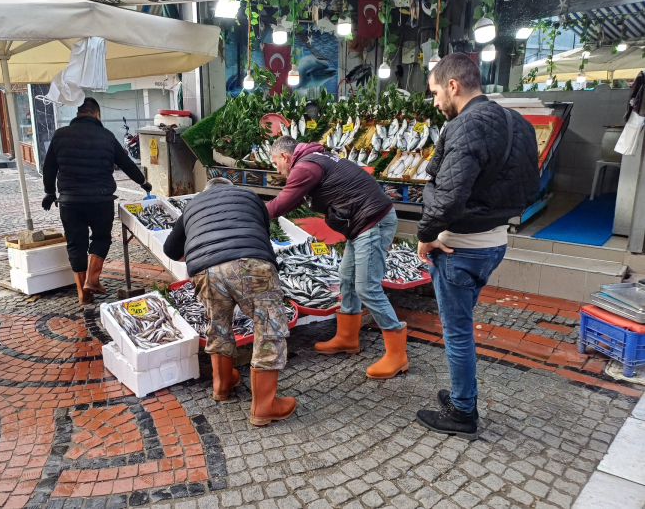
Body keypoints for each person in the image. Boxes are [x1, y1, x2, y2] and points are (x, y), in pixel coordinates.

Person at [415, 53, 539, 440]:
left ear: (453, 86)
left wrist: (426, 235)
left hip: (460, 248)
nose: (436, 101)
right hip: (495, 243)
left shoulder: (465, 125)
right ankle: (461, 392)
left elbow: (447, 198)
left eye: (435, 92)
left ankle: (463, 411)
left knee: (457, 332)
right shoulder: (518, 122)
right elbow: (530, 187)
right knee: (462, 326)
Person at [267, 137, 407, 380]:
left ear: (284, 157)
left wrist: (249, 211)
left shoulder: (304, 167)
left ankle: (397, 355)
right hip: (362, 223)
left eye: (275, 163)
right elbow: (294, 200)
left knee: (367, 287)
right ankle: (347, 338)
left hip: (372, 222)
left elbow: (282, 203)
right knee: (346, 277)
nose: (277, 170)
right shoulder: (314, 161)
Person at [163, 177, 296, 426]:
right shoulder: (249, 197)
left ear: (206, 191)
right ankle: (265, 406)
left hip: (204, 270)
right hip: (251, 262)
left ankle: (222, 385)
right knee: (269, 327)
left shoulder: (192, 205)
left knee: (218, 325)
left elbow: (171, 250)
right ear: (231, 189)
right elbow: (262, 233)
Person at [42, 97, 151, 305]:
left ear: (78, 114)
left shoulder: (60, 135)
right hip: (100, 200)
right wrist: (143, 182)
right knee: (101, 238)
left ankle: (83, 294)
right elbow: (126, 163)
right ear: (97, 114)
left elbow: (49, 168)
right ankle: (92, 279)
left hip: (70, 201)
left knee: (76, 244)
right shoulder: (106, 136)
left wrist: (49, 192)